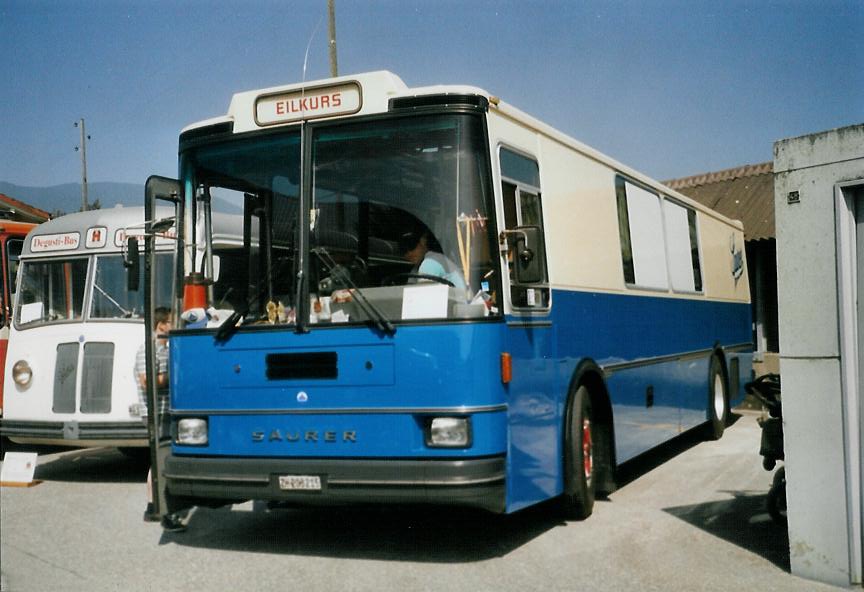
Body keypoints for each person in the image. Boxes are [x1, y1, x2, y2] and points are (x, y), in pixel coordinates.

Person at [136, 307, 186, 532]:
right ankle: (159, 508)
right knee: (160, 460)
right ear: (162, 325)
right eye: (171, 322)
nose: (174, 326)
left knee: (162, 458)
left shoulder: (168, 350)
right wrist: (172, 377)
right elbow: (148, 382)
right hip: (155, 412)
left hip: (167, 411)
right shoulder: (147, 350)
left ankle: (156, 506)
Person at [398, 227, 467, 291]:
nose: (409, 253)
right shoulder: (415, 270)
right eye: (403, 250)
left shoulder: (430, 262)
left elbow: (421, 297)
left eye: (411, 245)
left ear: (423, 241)